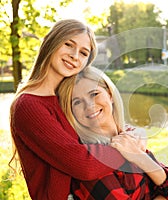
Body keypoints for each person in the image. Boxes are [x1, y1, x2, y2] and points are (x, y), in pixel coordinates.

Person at [9, 19, 129, 200]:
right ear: (51, 42)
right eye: (68, 44)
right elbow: (84, 165)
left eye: (83, 53)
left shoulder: (69, 100)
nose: (75, 56)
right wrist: (127, 149)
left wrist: (128, 137)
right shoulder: (28, 105)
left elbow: (96, 138)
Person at [57, 66, 168, 199]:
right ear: (71, 112)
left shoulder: (129, 139)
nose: (89, 105)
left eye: (94, 94)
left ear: (110, 95)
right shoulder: (90, 160)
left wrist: (139, 156)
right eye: (77, 102)